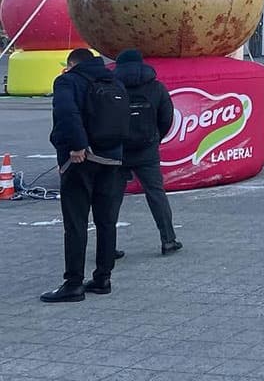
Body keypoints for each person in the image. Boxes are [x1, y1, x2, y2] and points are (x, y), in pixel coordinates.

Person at [41, 48, 127, 303]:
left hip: (81, 159)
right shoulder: (114, 81)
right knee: (106, 221)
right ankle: (103, 278)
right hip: (112, 158)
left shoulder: (68, 81)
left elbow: (66, 114)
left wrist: (77, 146)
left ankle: (73, 283)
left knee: (76, 223)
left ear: (71, 65)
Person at [113, 49, 182, 256]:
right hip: (147, 150)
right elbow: (167, 117)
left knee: (111, 198)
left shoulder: (111, 85)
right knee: (156, 194)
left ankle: (108, 246)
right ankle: (168, 240)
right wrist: (154, 138)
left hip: (117, 151)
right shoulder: (156, 87)